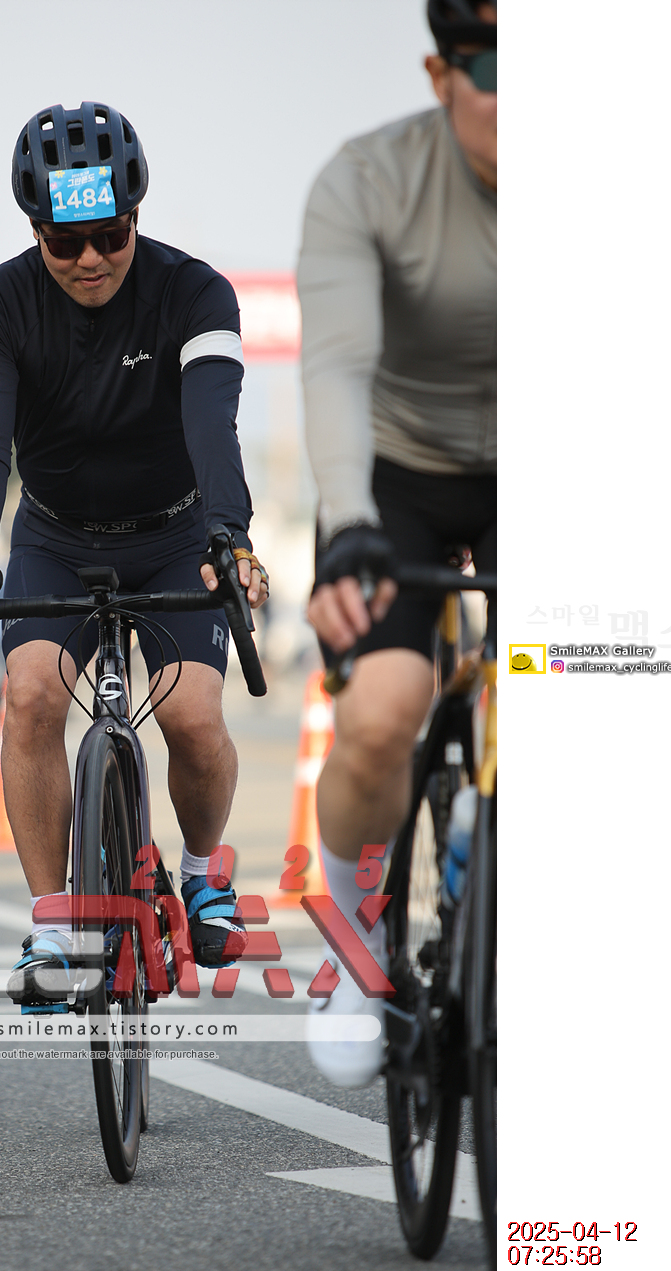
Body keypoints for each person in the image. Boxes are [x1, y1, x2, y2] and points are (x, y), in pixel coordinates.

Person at [0, 102, 267, 1004]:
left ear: (136, 216)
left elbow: (214, 423)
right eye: (64, 242)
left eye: (111, 236)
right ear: (35, 232)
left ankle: (201, 872)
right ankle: (54, 926)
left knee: (192, 716)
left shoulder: (197, 293)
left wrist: (230, 534)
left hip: (174, 532)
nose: (90, 260)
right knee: (32, 696)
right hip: (54, 536)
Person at [298, 1, 496, 1086]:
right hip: (394, 473)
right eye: (492, 68)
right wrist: (348, 526)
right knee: (381, 711)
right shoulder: (368, 181)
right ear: (440, 73)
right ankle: (354, 944)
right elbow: (334, 367)